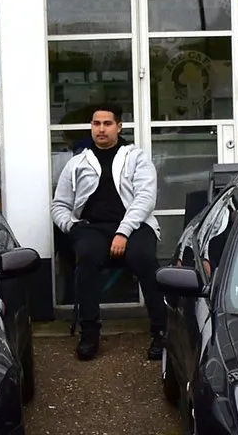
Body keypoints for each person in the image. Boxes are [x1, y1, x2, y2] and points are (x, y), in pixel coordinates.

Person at [50, 104, 164, 362]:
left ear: (119, 126)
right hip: (91, 227)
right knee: (86, 259)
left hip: (134, 225)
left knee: (144, 259)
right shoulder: (77, 162)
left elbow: (145, 199)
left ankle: (161, 330)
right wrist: (72, 226)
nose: (101, 129)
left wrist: (123, 232)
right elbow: (59, 204)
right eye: (96, 124)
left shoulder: (136, 157)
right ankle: (89, 332)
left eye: (107, 123)